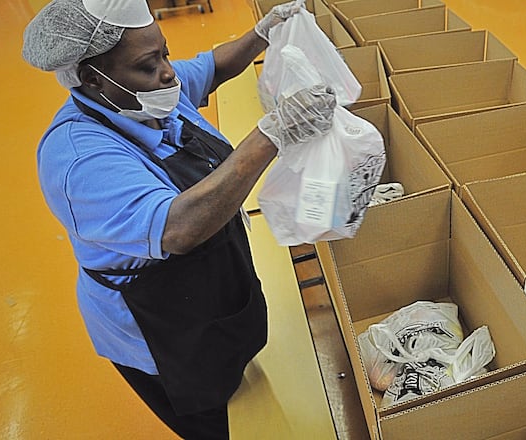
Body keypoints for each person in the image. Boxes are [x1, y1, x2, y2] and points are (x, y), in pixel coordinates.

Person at [21, 0, 336, 438]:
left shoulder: (149, 94)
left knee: (234, 366)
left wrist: (264, 31)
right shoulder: (79, 158)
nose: (168, 73)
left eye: (164, 54)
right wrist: (272, 134)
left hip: (211, 289)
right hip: (163, 332)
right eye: (150, 65)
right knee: (216, 422)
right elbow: (178, 228)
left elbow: (211, 66)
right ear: (95, 79)